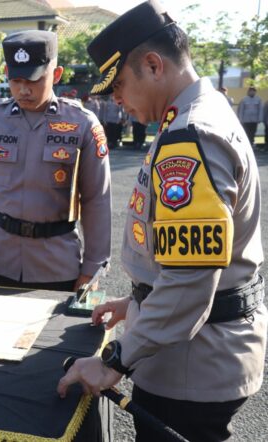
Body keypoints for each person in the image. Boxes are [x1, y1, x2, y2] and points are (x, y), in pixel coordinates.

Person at [58, 3, 267, 441]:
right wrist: (135, 304)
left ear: (153, 65)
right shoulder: (194, 116)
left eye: (118, 84)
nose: (115, 99)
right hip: (196, 350)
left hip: (193, 365)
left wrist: (114, 361)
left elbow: (190, 280)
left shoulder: (190, 135)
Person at [0, 30, 111, 292]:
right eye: (16, 80)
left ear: (56, 75)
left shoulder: (82, 124)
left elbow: (96, 200)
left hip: (57, 265)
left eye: (34, 80)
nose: (23, 90)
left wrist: (92, 268)